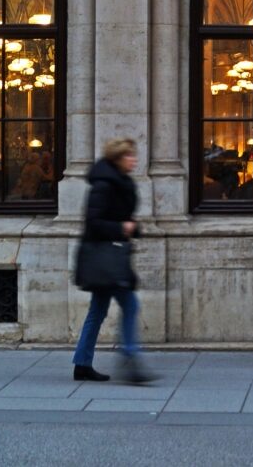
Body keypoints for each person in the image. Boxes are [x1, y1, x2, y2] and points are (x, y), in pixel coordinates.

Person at [71, 138, 154, 384]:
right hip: (106, 258)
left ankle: (82, 364)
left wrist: (131, 228)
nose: (134, 159)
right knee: (129, 305)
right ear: (118, 159)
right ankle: (130, 358)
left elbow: (119, 218)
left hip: (111, 256)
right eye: (129, 155)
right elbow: (94, 222)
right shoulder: (104, 185)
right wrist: (122, 227)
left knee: (97, 311)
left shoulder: (118, 182)